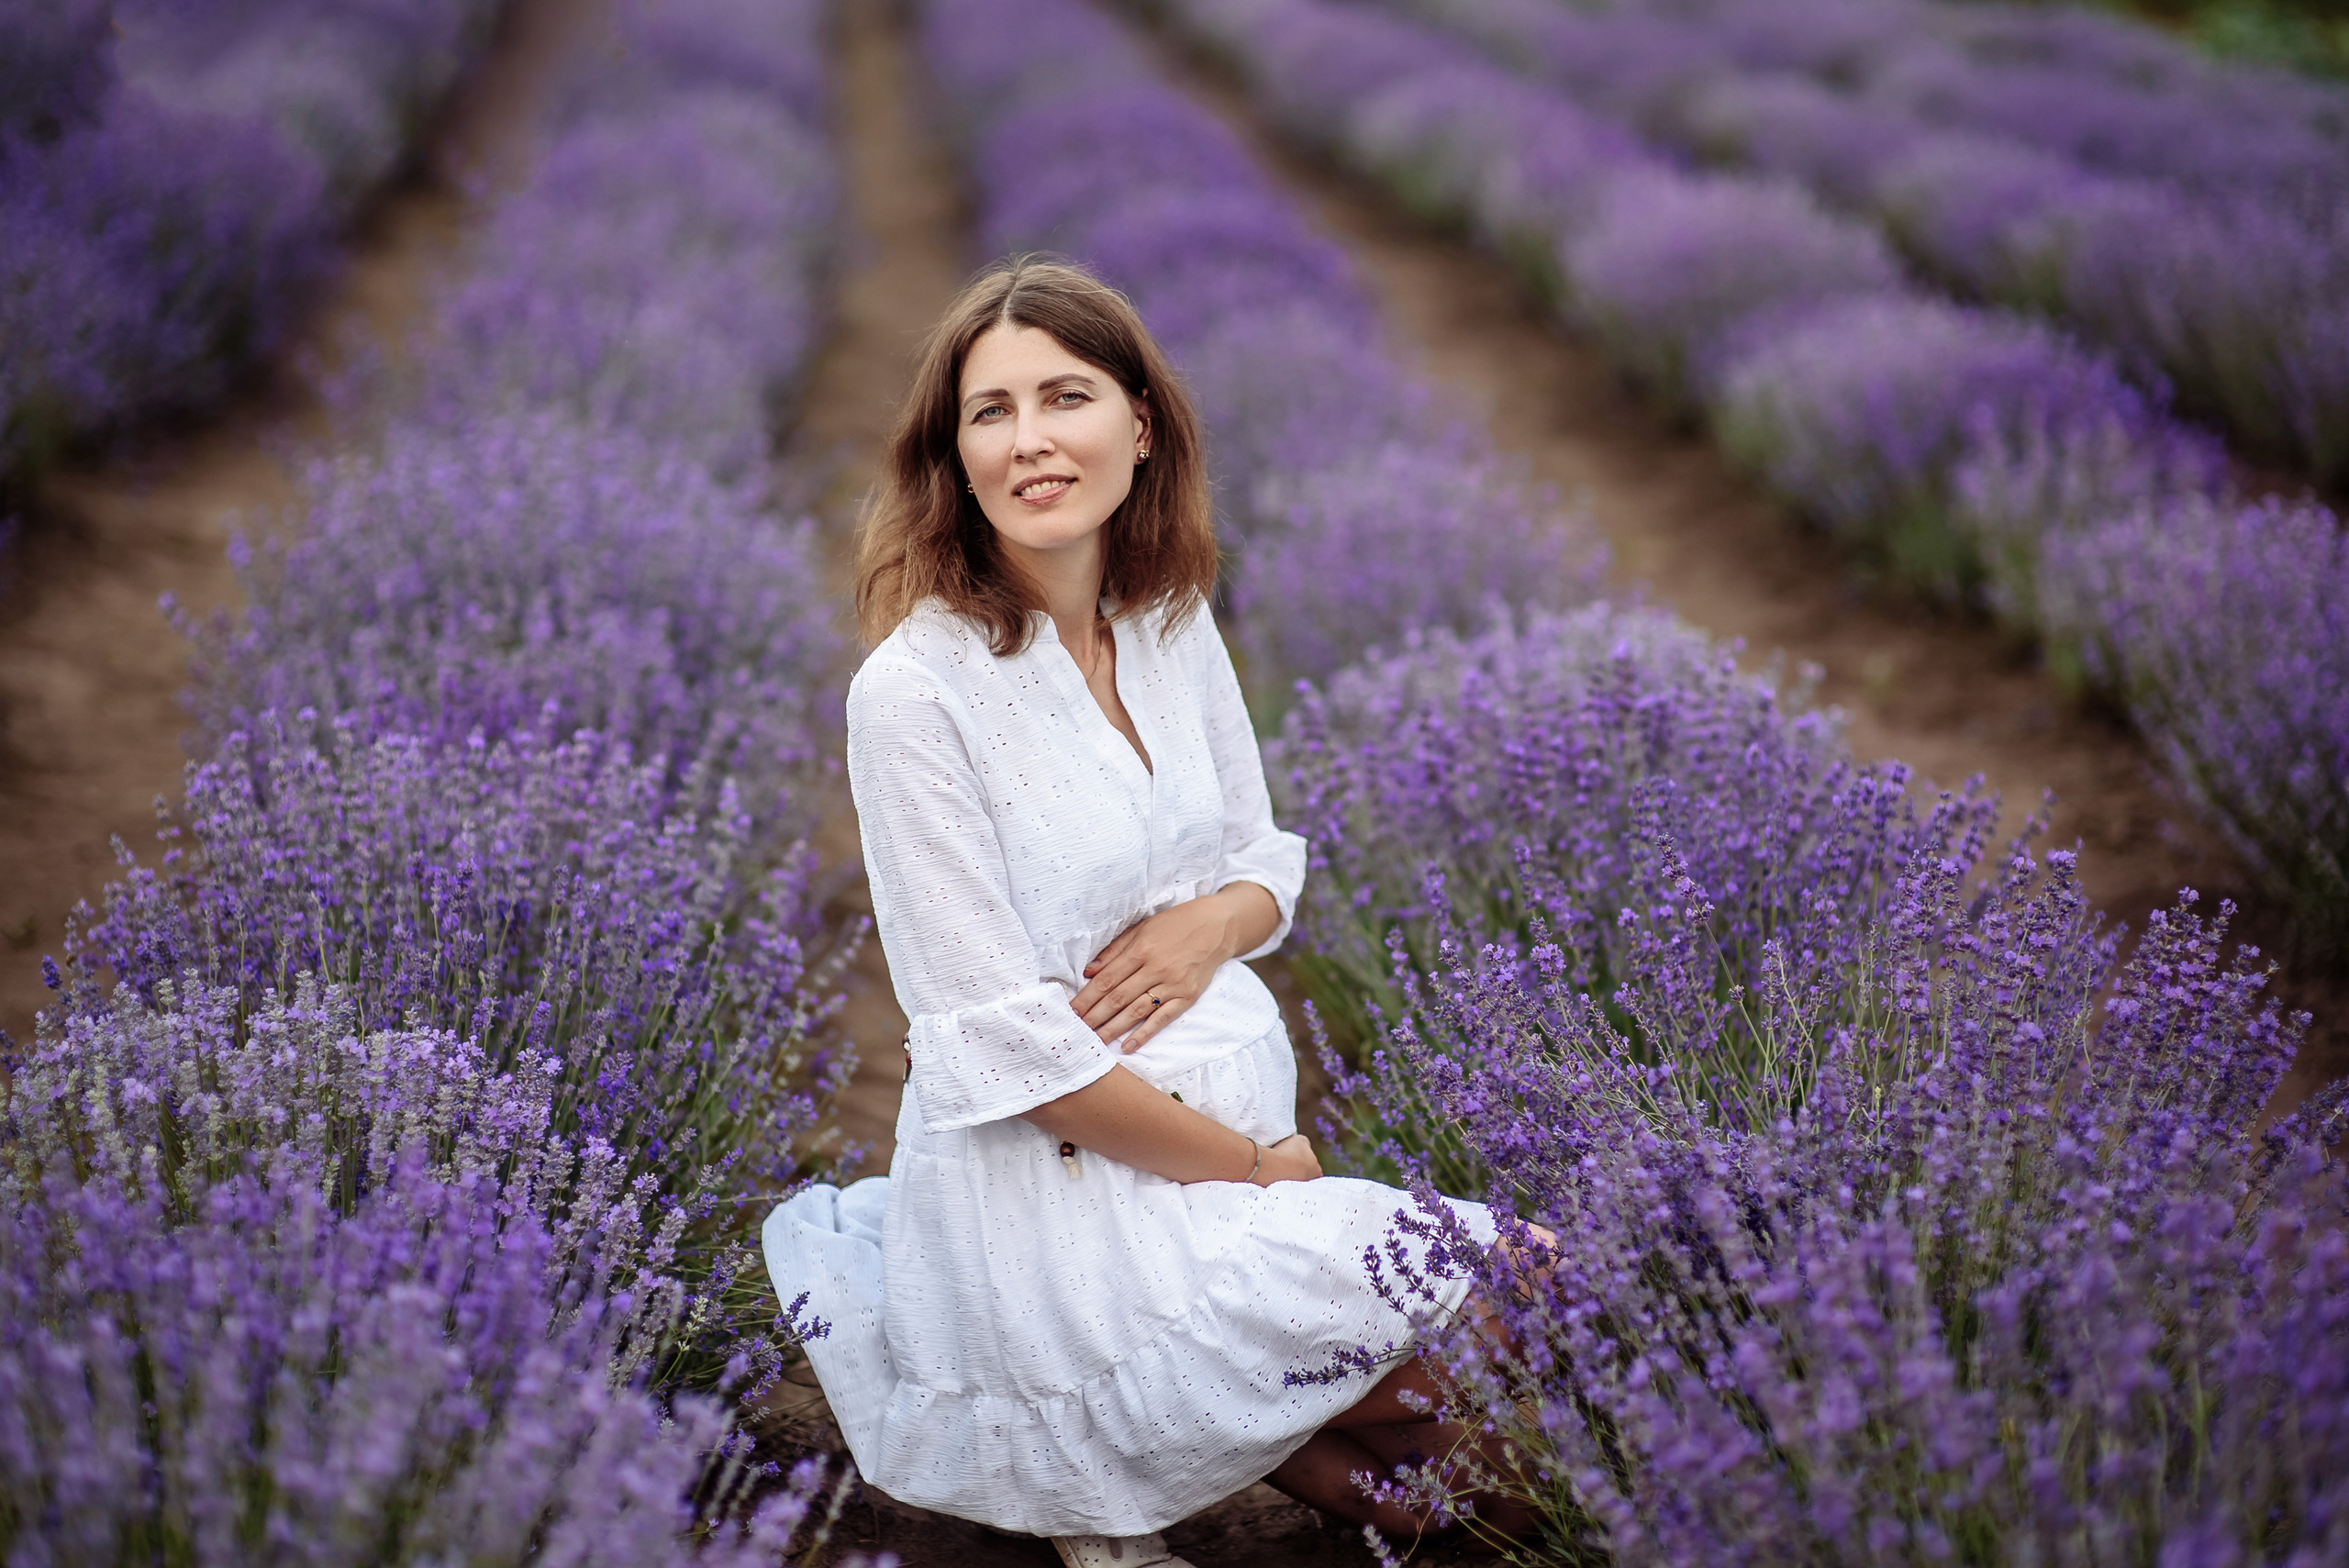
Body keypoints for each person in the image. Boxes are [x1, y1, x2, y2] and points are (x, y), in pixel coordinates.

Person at [763, 257, 1510, 1568]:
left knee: (1463, 1464)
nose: (1032, 438)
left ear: (1142, 423)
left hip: (1222, 1148)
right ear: (953, 451)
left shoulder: (1167, 621)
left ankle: (1185, 1455)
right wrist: (1256, 1170)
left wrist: (1209, 923)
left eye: (1067, 395)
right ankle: (1128, 1444)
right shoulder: (915, 697)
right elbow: (1004, 1055)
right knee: (1478, 1364)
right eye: (990, 411)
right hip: (1067, 1200)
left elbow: (1265, 856)